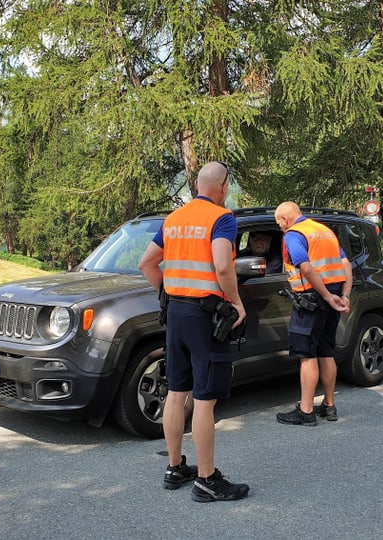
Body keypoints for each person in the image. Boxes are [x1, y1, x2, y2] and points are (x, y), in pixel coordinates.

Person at [138, 160, 250, 502]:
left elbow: (147, 263)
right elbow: (221, 264)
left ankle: (175, 467)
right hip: (206, 317)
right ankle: (206, 480)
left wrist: (167, 293)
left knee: (176, 391)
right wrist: (236, 302)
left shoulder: (174, 219)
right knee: (204, 399)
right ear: (223, 186)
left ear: (198, 184)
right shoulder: (222, 218)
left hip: (175, 314)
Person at [273, 201, 353, 426]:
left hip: (312, 298)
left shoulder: (294, 234)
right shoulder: (324, 231)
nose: (281, 229)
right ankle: (329, 406)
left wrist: (326, 295)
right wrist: (343, 296)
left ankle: (306, 411)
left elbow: (306, 268)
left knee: (306, 355)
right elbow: (346, 265)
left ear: (285, 220)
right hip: (334, 296)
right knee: (326, 351)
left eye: (279, 224)